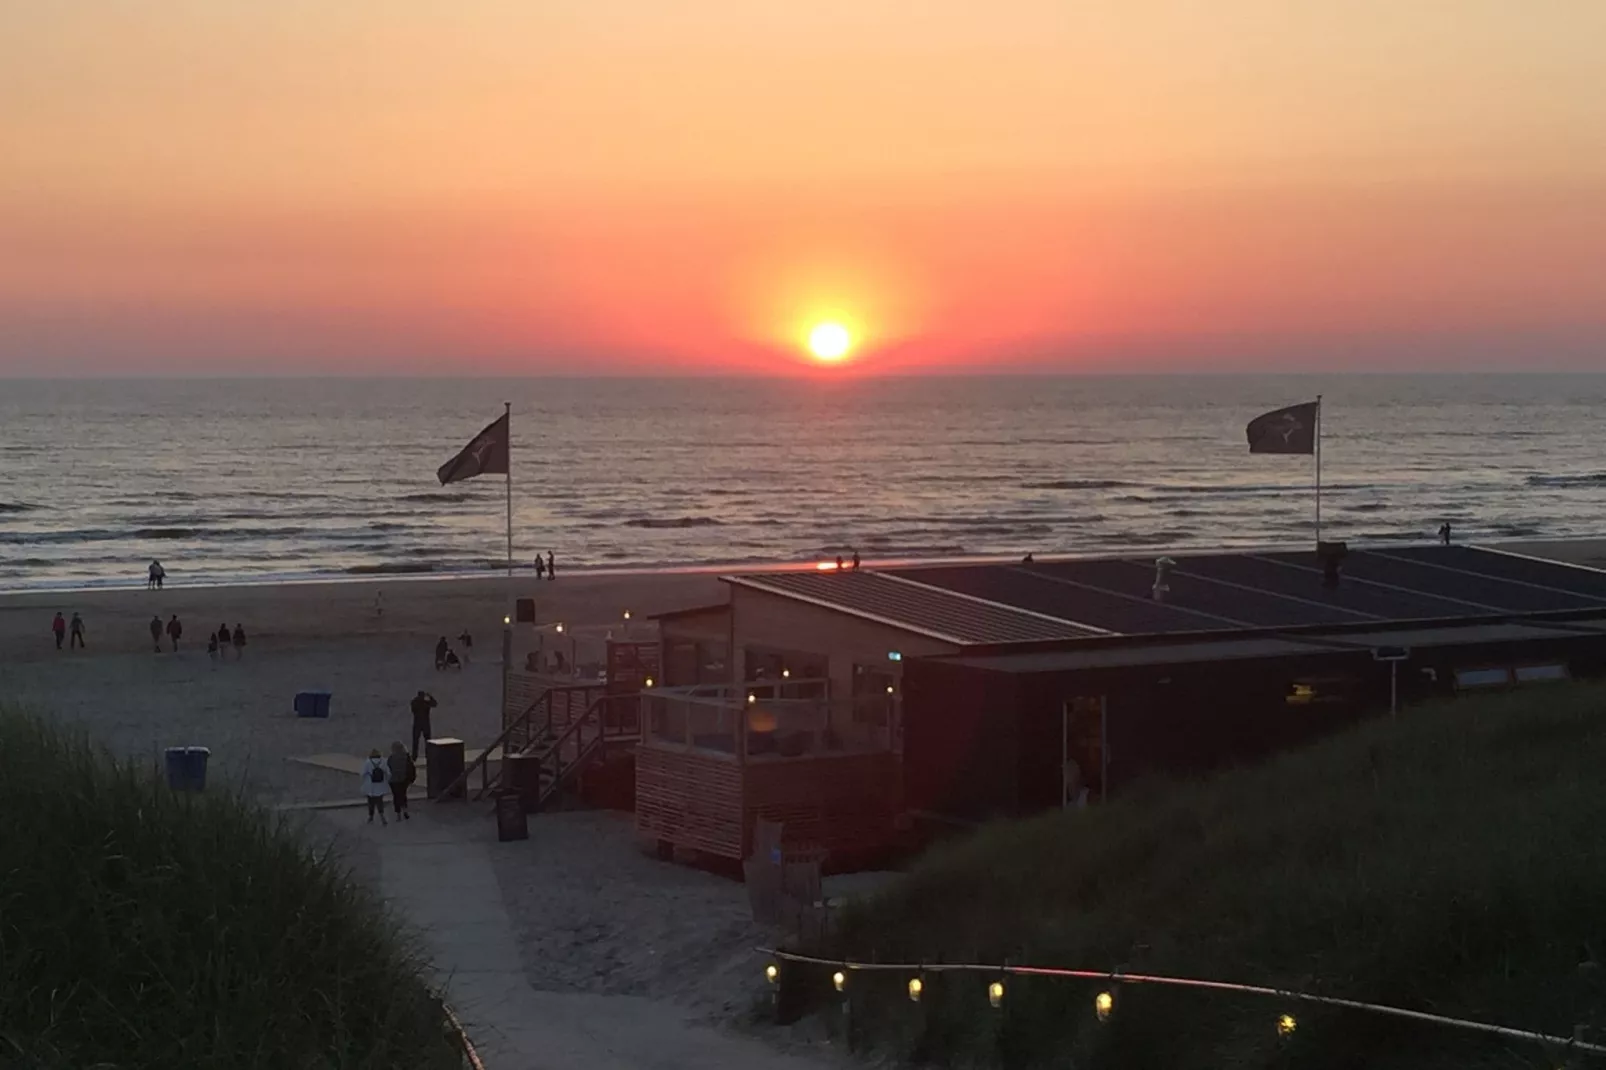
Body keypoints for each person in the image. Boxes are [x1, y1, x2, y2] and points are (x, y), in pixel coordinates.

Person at [359, 749, 389, 825]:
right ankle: (382, 816)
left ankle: (371, 816)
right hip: (380, 786)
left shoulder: (368, 762)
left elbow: (362, 773)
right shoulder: (383, 761)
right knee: (380, 801)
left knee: (371, 802)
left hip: (370, 787)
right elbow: (388, 773)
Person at [386, 741, 414, 820]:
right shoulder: (406, 757)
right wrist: (411, 779)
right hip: (403, 780)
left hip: (393, 780)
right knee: (403, 795)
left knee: (396, 796)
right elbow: (411, 769)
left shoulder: (391, 758)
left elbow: (388, 768)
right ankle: (405, 810)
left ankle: (398, 814)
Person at [409, 690, 437, 759]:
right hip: (425, 724)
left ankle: (415, 756)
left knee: (416, 741)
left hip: (417, 723)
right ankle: (428, 755)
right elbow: (434, 704)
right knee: (427, 741)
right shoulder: (425, 703)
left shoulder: (414, 702)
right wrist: (430, 697)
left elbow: (413, 709)